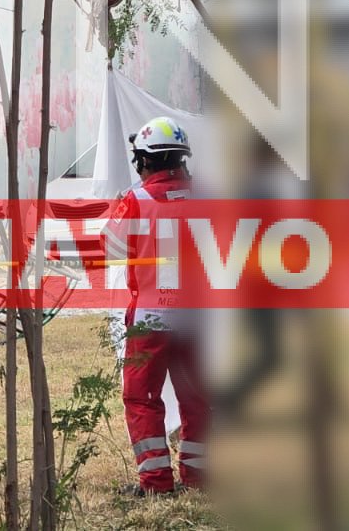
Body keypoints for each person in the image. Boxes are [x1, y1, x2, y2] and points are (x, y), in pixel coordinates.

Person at [111, 116, 208, 497]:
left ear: (146, 160)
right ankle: (198, 477)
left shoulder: (136, 200)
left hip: (151, 317)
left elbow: (111, 247)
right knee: (196, 396)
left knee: (142, 398)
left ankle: (156, 482)